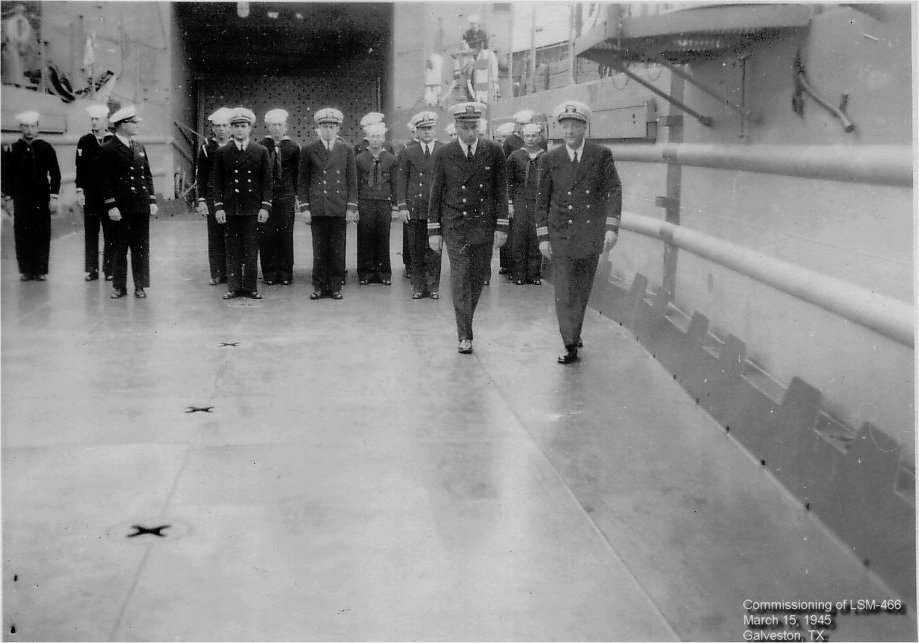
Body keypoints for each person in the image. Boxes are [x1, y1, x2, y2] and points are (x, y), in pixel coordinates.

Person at [536, 100, 622, 364]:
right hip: (561, 234)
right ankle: (570, 343)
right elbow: (542, 200)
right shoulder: (550, 159)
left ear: (585, 128)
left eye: (575, 126)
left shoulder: (601, 155)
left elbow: (614, 190)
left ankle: (574, 330)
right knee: (564, 291)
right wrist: (543, 236)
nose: (570, 131)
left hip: (589, 234)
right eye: (565, 126)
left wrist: (611, 227)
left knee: (582, 290)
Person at [428, 101, 509, 354]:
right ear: (456, 127)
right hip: (456, 225)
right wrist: (434, 230)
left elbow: (501, 190)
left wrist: (502, 226)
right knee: (460, 277)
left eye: (474, 127)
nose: (470, 132)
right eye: (465, 127)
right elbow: (436, 192)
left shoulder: (494, 151)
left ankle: (466, 322)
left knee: (476, 277)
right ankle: (464, 334)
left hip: (483, 226)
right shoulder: (444, 153)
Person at [211, 107, 272, 300]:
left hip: (252, 208)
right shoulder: (222, 152)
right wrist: (219, 207)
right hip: (231, 208)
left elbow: (267, 182)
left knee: (252, 248)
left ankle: (251, 287)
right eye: (236, 126)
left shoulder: (260, 151)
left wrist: (265, 206)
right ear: (231, 128)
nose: (239, 130)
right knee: (232, 249)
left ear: (250, 128)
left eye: (243, 126)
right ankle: (234, 287)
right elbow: (217, 182)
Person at [297, 107, 358, 300]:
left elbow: (352, 181)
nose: (328, 130)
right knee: (319, 249)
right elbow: (303, 181)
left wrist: (351, 207)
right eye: (325, 126)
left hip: (338, 206)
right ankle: (319, 286)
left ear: (338, 128)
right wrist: (305, 208)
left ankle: (335, 286)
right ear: (319, 128)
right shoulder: (308, 150)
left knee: (337, 249)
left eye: (332, 126)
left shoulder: (347, 150)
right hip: (318, 207)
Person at [101, 106, 157, 298]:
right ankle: (119, 286)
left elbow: (147, 175)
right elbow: (104, 180)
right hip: (121, 207)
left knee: (141, 248)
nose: (137, 125)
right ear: (123, 125)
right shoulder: (108, 148)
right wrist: (111, 205)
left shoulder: (139, 147)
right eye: (134, 122)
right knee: (119, 248)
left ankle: (140, 286)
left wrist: (151, 199)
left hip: (140, 206)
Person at [1, 110, 60, 282]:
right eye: (26, 126)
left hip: (41, 198)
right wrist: (7, 198)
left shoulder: (46, 148)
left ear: (38, 128)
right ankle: (26, 270)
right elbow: (6, 176)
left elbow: (55, 174)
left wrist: (54, 197)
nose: (29, 130)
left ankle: (41, 270)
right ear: (20, 128)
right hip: (21, 200)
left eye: (33, 126)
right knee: (22, 233)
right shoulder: (12, 149)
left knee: (41, 232)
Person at [396, 111, 443, 300]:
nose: (427, 132)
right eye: (422, 129)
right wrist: (402, 206)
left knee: (435, 249)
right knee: (415, 250)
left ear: (435, 129)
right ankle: (418, 286)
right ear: (416, 131)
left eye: (429, 128)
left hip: (435, 209)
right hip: (414, 208)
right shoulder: (409, 151)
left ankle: (433, 287)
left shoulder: (442, 150)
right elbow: (402, 179)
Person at [260, 108, 300, 285]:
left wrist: (297, 196)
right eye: (273, 125)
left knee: (285, 233)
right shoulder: (261, 146)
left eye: (280, 125)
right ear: (268, 127)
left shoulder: (293, 147)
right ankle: (269, 272)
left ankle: (285, 272)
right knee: (267, 234)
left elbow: (297, 174)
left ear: (286, 127)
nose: (277, 128)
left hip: (286, 195)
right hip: (267, 196)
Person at [75, 103, 114, 281]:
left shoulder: (112, 140)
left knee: (110, 232)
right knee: (91, 233)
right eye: (92, 119)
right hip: (91, 195)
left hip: (109, 195)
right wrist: (80, 191)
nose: (94, 122)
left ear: (105, 121)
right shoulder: (84, 141)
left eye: (97, 119)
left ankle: (110, 269)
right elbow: (80, 168)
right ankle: (92, 269)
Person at [355, 122, 397, 285]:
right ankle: (366, 273)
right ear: (367, 138)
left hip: (384, 203)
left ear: (383, 138)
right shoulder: (359, 159)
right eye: (372, 136)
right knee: (365, 237)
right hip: (365, 203)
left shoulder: (391, 159)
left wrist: (395, 206)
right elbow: (355, 184)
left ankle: (383, 273)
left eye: (378, 136)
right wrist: (355, 206)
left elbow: (394, 183)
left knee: (383, 237)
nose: (375, 140)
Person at [195, 107, 232, 286]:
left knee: (233, 234)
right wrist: (201, 199)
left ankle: (233, 272)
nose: (221, 129)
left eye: (225, 125)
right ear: (213, 128)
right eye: (218, 126)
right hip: (212, 195)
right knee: (215, 235)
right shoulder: (206, 148)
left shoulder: (236, 146)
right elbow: (201, 176)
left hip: (233, 196)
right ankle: (217, 273)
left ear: (230, 127)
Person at [506, 123, 545, 286]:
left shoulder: (546, 157)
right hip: (520, 200)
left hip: (538, 202)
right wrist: (509, 203)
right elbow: (508, 181)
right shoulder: (515, 156)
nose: (530, 139)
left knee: (536, 237)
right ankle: (519, 273)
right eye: (527, 136)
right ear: (523, 137)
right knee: (519, 237)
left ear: (539, 137)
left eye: (534, 136)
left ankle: (534, 274)